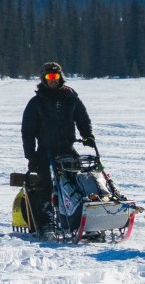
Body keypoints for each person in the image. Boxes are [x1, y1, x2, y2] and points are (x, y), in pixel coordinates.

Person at [21, 62, 94, 228]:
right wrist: (31, 156)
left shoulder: (71, 98)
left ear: (61, 77)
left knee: (80, 182)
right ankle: (45, 223)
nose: (53, 80)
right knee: (44, 186)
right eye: (49, 77)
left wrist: (87, 136)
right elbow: (28, 132)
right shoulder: (36, 102)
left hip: (67, 149)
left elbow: (83, 119)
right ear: (44, 79)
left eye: (55, 76)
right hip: (45, 151)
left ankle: (80, 220)